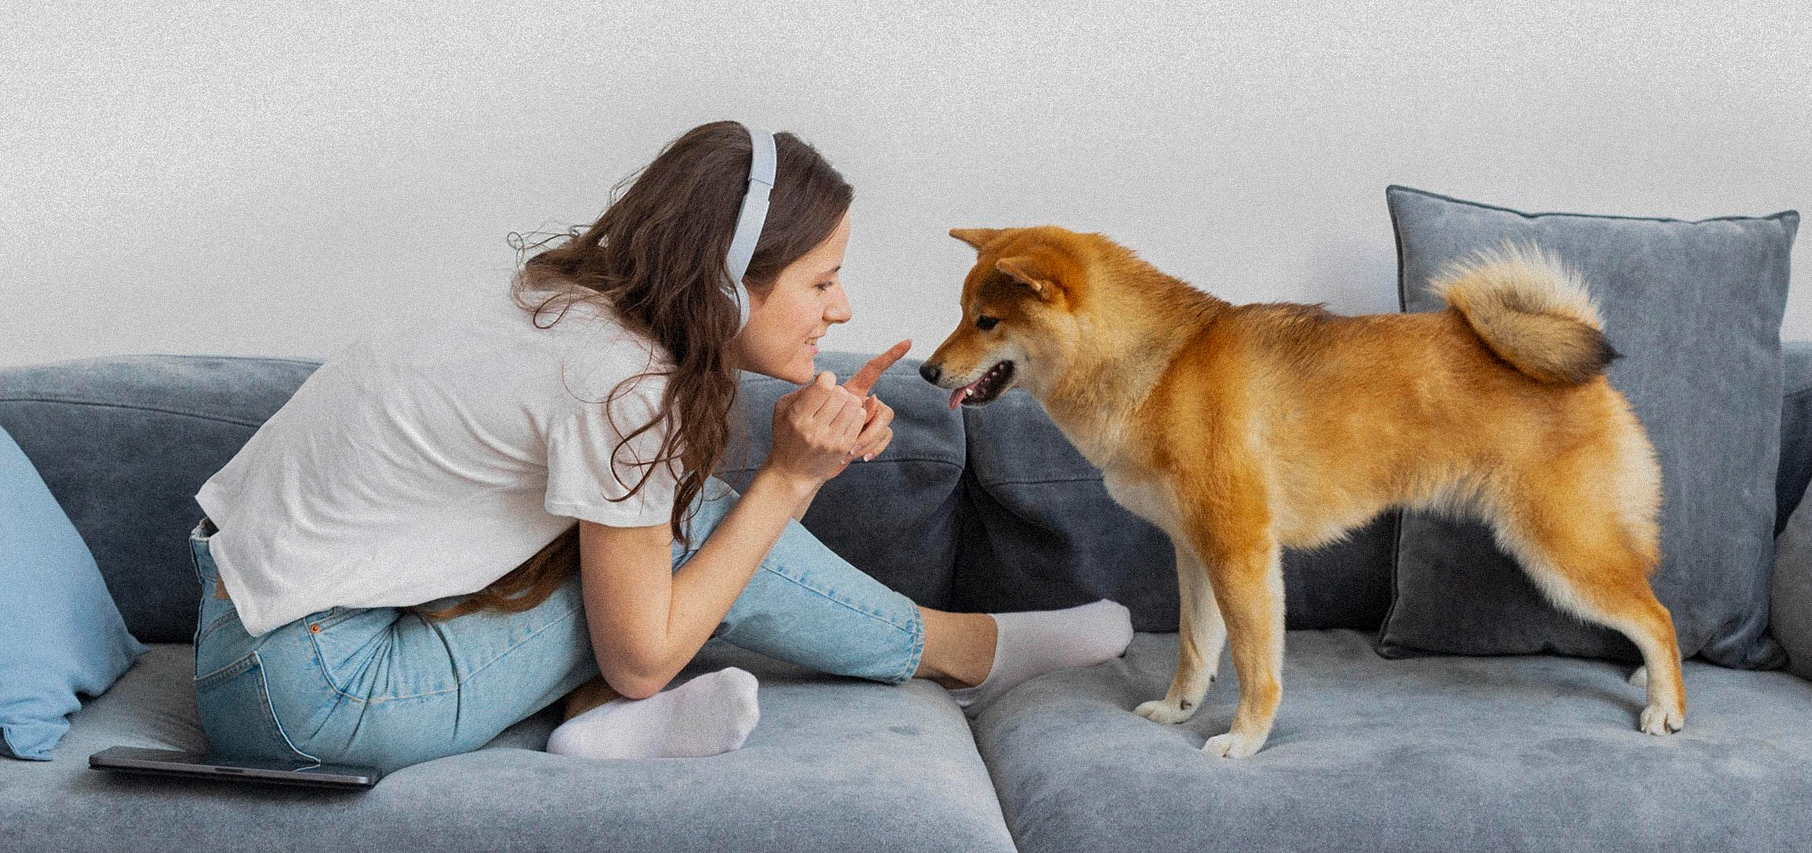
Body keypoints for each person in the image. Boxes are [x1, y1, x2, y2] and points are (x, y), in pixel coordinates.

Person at [186, 121, 1133, 773]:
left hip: (268, 644)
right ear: (726, 289)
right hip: (309, 693)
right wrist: (792, 478)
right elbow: (645, 643)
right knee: (697, 543)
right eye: (822, 282)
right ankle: (971, 652)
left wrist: (794, 467)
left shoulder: (570, 309)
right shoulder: (621, 381)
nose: (840, 309)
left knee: (674, 531)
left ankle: (596, 720)